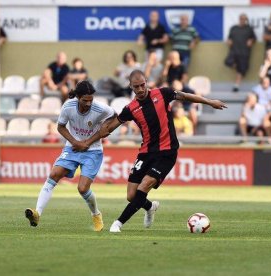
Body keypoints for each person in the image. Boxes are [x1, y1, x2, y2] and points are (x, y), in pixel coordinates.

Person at [95, 70, 226, 232]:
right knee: (131, 196)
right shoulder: (130, 108)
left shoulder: (163, 93)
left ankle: (118, 223)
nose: (141, 89)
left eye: (143, 85)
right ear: (131, 87)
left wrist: (209, 101)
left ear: (147, 82)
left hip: (167, 152)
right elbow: (110, 127)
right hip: (145, 152)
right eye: (136, 87)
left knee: (144, 186)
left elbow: (185, 96)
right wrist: (97, 132)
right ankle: (150, 207)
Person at [25, 80, 115, 231]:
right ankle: (37, 214)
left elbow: (115, 116)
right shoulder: (68, 106)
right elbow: (60, 127)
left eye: (90, 100)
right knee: (54, 174)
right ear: (78, 97)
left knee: (82, 189)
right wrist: (75, 142)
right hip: (72, 148)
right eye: (85, 100)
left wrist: (101, 131)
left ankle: (96, 214)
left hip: (93, 150)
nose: (88, 103)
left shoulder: (100, 108)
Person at [225, 13, 256, 92]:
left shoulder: (249, 28)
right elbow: (229, 38)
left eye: (244, 19)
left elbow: (254, 38)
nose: (242, 20)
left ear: (246, 20)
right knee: (228, 62)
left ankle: (236, 85)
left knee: (241, 70)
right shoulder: (234, 28)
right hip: (234, 51)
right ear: (239, 19)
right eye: (241, 19)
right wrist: (229, 41)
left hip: (244, 53)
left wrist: (251, 41)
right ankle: (237, 68)